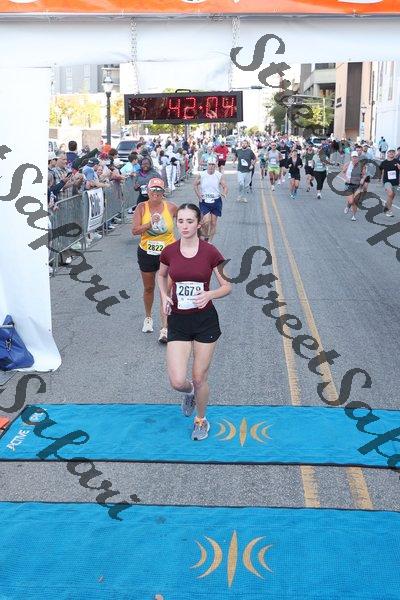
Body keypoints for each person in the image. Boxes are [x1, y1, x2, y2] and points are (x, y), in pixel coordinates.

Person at [157, 203, 231, 441]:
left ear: (198, 224)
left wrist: (210, 294)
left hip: (204, 321)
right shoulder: (169, 251)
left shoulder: (211, 252)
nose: (185, 226)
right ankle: (189, 393)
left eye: (190, 221)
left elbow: (227, 286)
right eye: (180, 221)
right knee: (177, 381)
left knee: (199, 377)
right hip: (178, 320)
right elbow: (161, 275)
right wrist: (164, 296)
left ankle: (201, 420)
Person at [132, 177, 177, 342]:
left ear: (163, 192)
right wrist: (150, 224)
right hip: (146, 252)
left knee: (166, 290)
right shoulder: (141, 207)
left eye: (159, 190)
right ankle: (148, 317)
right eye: (153, 190)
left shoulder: (171, 207)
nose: (156, 193)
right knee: (149, 288)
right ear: (148, 191)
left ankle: (165, 328)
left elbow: (186, 219)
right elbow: (135, 231)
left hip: (167, 254)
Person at [194, 156, 228, 242]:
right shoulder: (202, 174)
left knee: (213, 223)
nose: (211, 166)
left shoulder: (219, 175)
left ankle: (209, 242)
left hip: (216, 201)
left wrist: (224, 193)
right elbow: (195, 185)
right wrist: (199, 195)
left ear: (216, 165)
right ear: (207, 164)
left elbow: (225, 186)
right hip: (204, 201)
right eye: (210, 164)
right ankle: (205, 236)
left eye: (213, 164)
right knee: (206, 221)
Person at [341, 151, 366, 221]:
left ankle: (353, 215)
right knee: (351, 201)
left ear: (358, 158)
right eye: (353, 157)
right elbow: (343, 172)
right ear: (351, 158)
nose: (355, 159)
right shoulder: (347, 164)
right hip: (348, 185)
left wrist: (362, 179)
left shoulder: (361, 165)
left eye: (356, 157)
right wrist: (346, 178)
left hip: (357, 185)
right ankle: (348, 206)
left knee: (355, 201)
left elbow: (364, 175)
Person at [378, 149, 400, 217]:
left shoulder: (397, 161)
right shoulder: (384, 162)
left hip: (395, 182)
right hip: (387, 181)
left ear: (394, 154)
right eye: (390, 152)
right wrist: (380, 179)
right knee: (390, 194)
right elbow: (380, 170)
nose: (391, 153)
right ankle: (388, 210)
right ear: (387, 153)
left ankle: (386, 207)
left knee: (391, 197)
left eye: (393, 152)